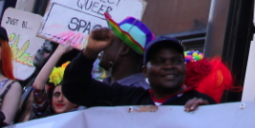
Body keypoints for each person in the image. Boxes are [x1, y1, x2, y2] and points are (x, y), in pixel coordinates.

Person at [62, 28, 215, 109]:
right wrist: (90, 52)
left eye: (176, 61)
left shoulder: (202, 104)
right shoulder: (127, 97)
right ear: (145, 71)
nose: (169, 66)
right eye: (159, 61)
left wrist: (208, 116)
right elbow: (75, 89)